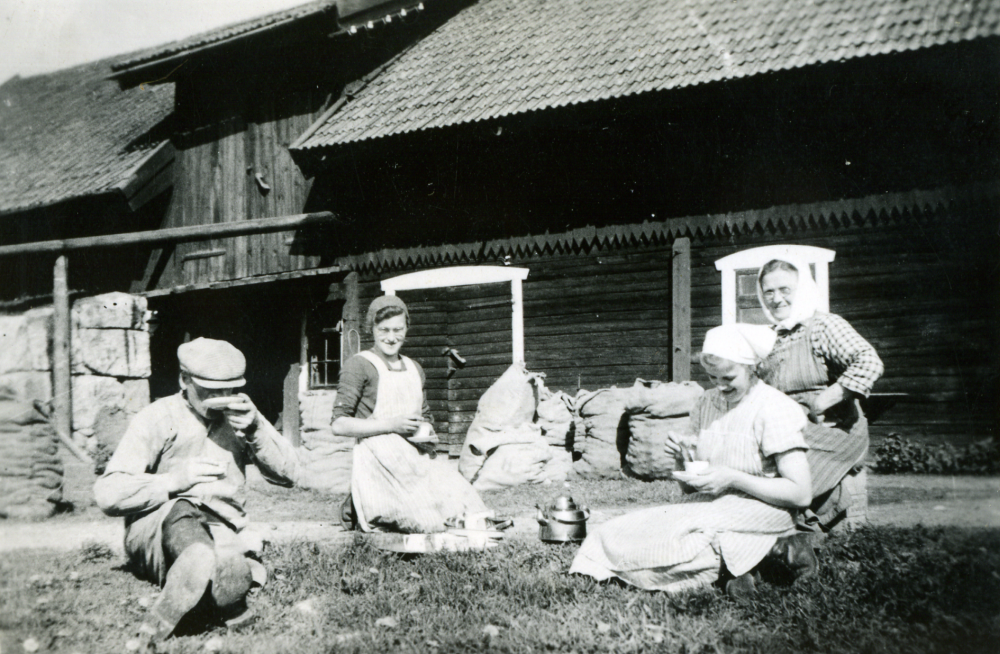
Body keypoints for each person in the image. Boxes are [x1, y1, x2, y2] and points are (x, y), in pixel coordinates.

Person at [570, 324, 815, 595]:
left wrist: (733, 478)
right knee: (613, 531)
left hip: (764, 509)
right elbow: (690, 489)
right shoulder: (706, 403)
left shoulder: (775, 408)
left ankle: (753, 556)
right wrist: (681, 459)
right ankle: (753, 560)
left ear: (752, 367)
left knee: (687, 547)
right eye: (712, 377)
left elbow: (801, 494)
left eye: (729, 378)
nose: (720, 386)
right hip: (712, 507)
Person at [94, 338, 299, 641]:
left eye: (230, 389)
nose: (223, 398)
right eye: (211, 391)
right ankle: (217, 579)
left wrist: (255, 430)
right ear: (184, 380)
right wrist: (172, 481)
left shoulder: (243, 416)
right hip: (157, 531)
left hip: (220, 526)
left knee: (223, 546)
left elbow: (290, 473)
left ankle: (210, 575)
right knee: (184, 512)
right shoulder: (157, 417)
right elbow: (107, 494)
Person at [332, 295, 502, 533]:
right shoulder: (359, 365)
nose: (391, 338)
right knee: (422, 520)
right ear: (371, 328)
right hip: (379, 454)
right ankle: (354, 511)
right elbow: (339, 424)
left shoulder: (414, 368)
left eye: (398, 330)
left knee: (463, 503)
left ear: (407, 329)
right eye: (384, 330)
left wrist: (427, 436)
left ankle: (356, 508)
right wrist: (392, 425)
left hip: (415, 454)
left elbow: (425, 415)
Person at [756, 258, 884, 530]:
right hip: (788, 430)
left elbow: (869, 361)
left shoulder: (823, 326)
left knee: (784, 484)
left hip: (832, 429)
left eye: (785, 290)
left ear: (801, 289)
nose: (776, 299)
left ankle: (812, 528)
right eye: (769, 292)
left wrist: (825, 399)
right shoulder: (767, 338)